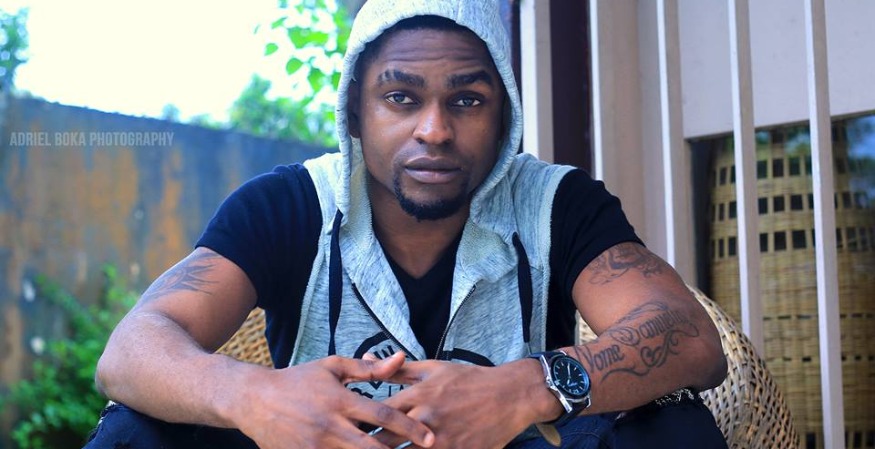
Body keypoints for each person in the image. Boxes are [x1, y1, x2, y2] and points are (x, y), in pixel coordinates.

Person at [85, 0, 729, 448]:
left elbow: (690, 338)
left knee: (670, 424)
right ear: (355, 113)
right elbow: (132, 350)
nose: (435, 129)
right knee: (134, 432)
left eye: (467, 100)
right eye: (401, 98)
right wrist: (253, 395)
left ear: (504, 117)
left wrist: (522, 390)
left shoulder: (558, 204)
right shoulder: (287, 205)